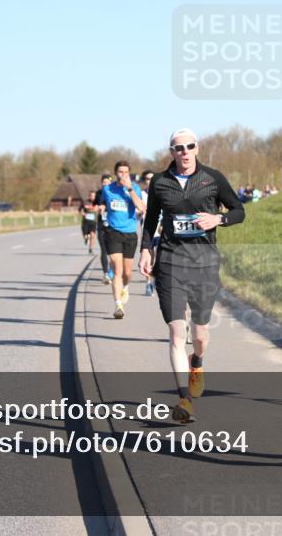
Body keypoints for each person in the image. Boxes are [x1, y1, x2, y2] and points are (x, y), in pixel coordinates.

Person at [139, 128, 245, 423]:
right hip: (170, 261)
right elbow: (151, 219)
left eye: (189, 146)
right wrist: (146, 249)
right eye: (178, 147)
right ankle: (184, 400)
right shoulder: (160, 181)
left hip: (204, 264)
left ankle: (197, 361)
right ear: (171, 152)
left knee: (199, 335)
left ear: (197, 148)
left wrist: (219, 219)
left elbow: (239, 210)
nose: (184, 151)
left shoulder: (213, 178)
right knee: (176, 331)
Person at [98, 161, 146, 318]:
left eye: (126, 172)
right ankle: (118, 305)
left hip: (130, 233)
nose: (123, 175)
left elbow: (141, 208)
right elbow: (103, 203)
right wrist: (101, 208)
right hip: (113, 232)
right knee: (117, 269)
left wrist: (129, 189)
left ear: (129, 173)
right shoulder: (107, 189)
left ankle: (125, 287)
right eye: (120, 172)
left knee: (127, 272)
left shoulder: (135, 188)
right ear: (115, 173)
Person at [138, 170, 156, 296]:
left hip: (162, 230)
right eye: (148, 179)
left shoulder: (162, 193)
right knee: (149, 258)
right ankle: (149, 283)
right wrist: (139, 212)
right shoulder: (141, 194)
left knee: (159, 258)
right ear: (144, 181)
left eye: (152, 179)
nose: (150, 181)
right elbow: (136, 210)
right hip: (148, 231)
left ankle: (155, 280)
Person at [97, 173, 113, 284]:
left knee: (112, 251)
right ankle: (105, 273)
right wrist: (96, 208)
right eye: (104, 182)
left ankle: (112, 271)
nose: (105, 184)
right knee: (103, 250)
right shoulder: (98, 193)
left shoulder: (115, 193)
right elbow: (93, 205)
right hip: (101, 225)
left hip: (113, 226)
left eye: (107, 182)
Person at [80, 190, 98, 254]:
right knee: (85, 235)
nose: (92, 197)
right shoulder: (85, 202)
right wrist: (83, 213)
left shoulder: (97, 202)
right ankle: (86, 238)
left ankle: (91, 248)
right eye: (91, 196)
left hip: (93, 222)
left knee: (92, 235)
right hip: (86, 222)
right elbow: (81, 210)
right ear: (89, 196)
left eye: (94, 196)